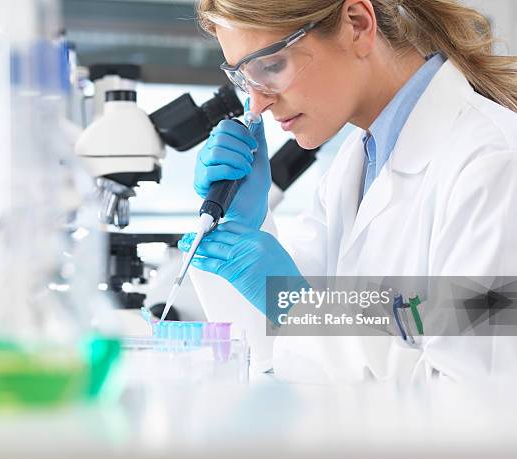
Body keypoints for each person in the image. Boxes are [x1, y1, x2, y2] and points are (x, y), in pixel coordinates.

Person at [178, 0, 517, 383]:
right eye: (244, 78)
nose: (258, 102)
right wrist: (247, 226)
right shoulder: (353, 169)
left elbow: (476, 398)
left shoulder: (493, 162)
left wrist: (299, 307)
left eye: (271, 67)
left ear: (357, 24)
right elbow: (283, 357)